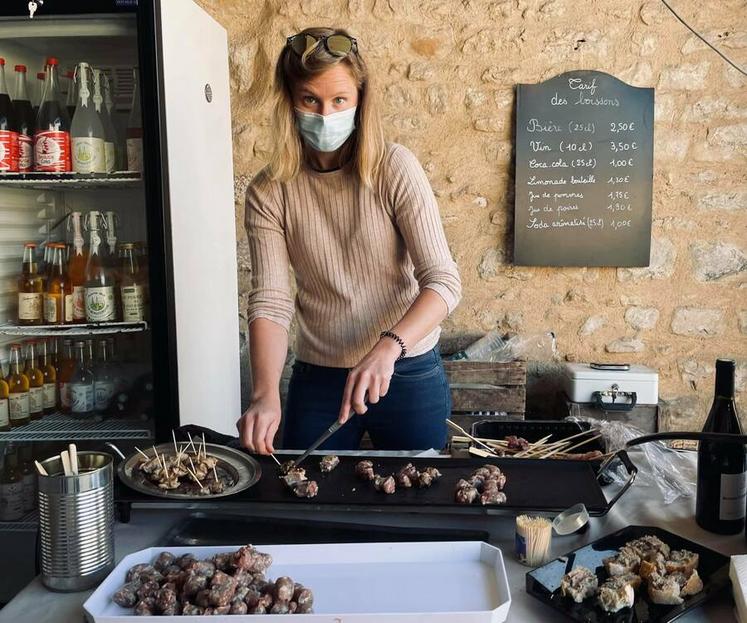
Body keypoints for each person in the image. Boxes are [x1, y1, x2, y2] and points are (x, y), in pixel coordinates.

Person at [238, 26, 461, 455]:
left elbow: (443, 281)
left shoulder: (394, 168)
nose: (325, 114)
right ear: (288, 101)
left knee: (418, 504)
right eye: (310, 100)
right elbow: (271, 301)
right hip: (320, 378)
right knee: (310, 506)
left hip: (406, 369)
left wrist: (388, 347)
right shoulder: (268, 190)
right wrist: (264, 393)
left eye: (339, 100)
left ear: (360, 99)